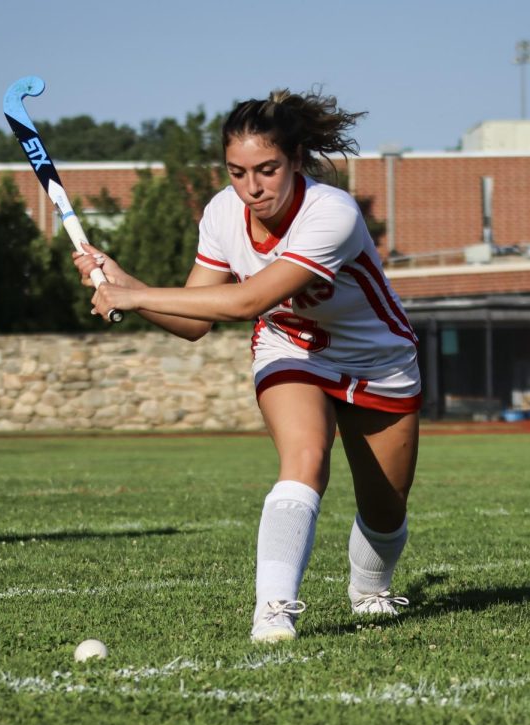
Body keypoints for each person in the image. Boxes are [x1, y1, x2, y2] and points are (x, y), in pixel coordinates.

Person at [72, 89, 421, 642]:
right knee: (305, 458)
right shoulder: (222, 213)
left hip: (378, 358)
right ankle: (274, 610)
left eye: (267, 170)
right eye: (237, 172)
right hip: (291, 348)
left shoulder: (331, 212)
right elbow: (193, 321)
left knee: (385, 508)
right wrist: (123, 281)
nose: (252, 188)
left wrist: (135, 297)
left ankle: (371, 588)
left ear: (297, 160)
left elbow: (244, 301)